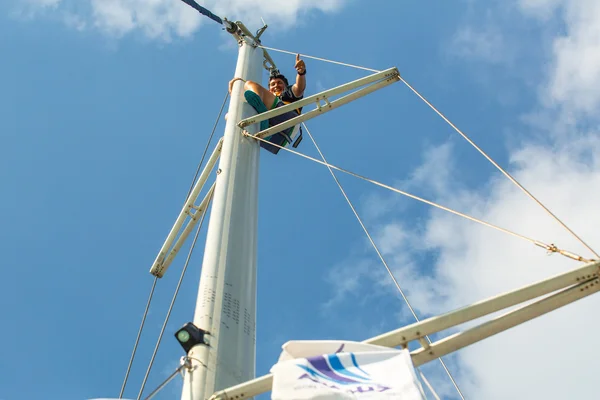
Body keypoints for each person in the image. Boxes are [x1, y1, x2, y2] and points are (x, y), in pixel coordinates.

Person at [229, 54, 307, 154]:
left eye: (279, 83)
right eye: (273, 84)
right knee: (233, 113)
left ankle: (262, 117)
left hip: (288, 122)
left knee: (249, 84)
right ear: (269, 88)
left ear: (285, 85)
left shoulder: (288, 93)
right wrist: (235, 91)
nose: (276, 86)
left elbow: (299, 88)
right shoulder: (265, 96)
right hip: (275, 141)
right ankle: (260, 122)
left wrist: (301, 72)